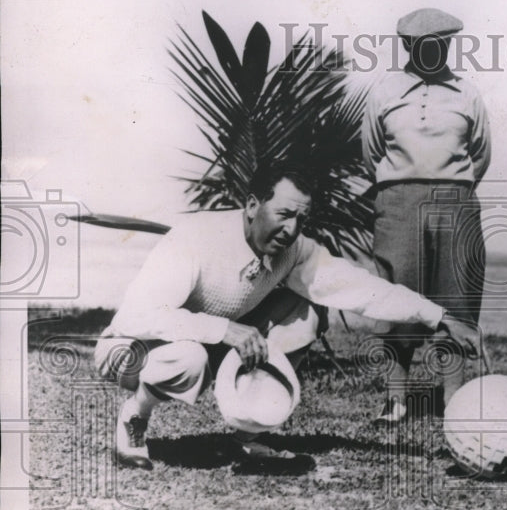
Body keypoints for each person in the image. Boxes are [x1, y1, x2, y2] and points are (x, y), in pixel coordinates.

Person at [95, 163, 479, 472]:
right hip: (130, 350)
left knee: (307, 310)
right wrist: (222, 329)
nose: (291, 228)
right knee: (189, 357)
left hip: (204, 341)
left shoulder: (294, 250)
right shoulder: (194, 237)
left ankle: (249, 433)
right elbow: (137, 315)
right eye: (283, 214)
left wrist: (438, 316)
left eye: (301, 218)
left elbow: (361, 289)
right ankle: (135, 417)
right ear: (250, 205)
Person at [362, 7, 491, 424]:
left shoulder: (467, 93)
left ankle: (452, 400)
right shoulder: (385, 91)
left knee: (456, 300)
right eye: (425, 45)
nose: (435, 52)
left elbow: (481, 154)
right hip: (398, 203)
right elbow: (371, 152)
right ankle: (395, 400)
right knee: (396, 297)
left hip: (455, 201)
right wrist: (401, 190)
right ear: (408, 47)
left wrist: (450, 188)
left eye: (443, 44)